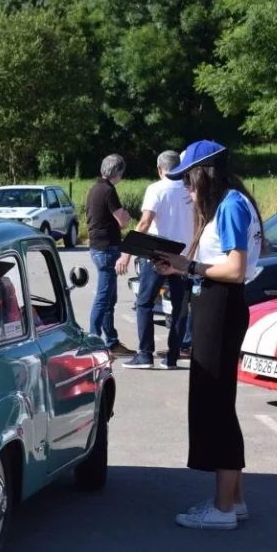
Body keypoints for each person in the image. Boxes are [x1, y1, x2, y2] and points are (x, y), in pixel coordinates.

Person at [153, 140, 263, 530]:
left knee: (216, 404)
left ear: (205, 175)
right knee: (218, 402)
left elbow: (233, 269)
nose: (187, 189)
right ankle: (233, 500)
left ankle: (223, 510)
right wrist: (182, 268)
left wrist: (190, 265)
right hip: (216, 303)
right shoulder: (231, 202)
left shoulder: (231, 204)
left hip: (222, 303)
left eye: (189, 180)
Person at [117, 150, 194, 369]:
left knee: (144, 303)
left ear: (160, 169)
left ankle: (145, 354)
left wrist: (125, 253)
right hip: (183, 257)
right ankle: (172, 357)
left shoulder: (156, 189)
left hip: (157, 255)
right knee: (180, 308)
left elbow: (144, 223)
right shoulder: (191, 190)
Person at [86, 154, 135, 356]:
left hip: (97, 247)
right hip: (107, 248)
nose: (121, 176)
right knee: (104, 298)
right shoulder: (108, 190)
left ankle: (111, 341)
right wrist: (127, 218)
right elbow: (122, 220)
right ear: (116, 172)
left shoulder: (94, 189)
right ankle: (94, 341)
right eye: (121, 173)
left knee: (109, 298)